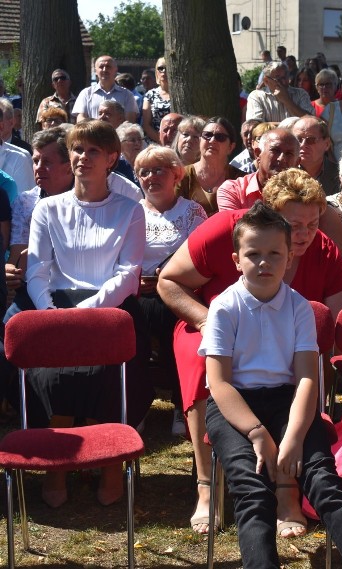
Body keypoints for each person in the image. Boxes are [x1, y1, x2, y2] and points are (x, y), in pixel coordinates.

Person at [158, 168, 342, 534]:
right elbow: (168, 281)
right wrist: (211, 324)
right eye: (294, 225)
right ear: (268, 214)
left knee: (308, 367)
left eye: (313, 223)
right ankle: (207, 487)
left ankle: (287, 489)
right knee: (200, 361)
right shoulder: (225, 230)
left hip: (285, 341)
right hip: (213, 325)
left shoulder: (323, 250)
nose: (304, 235)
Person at [199, 201, 342, 568]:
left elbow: (305, 378)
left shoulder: (299, 308)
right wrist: (256, 433)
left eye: (274, 254)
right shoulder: (224, 307)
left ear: (289, 259)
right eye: (253, 254)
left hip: (289, 403)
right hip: (236, 407)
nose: (264, 262)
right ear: (237, 260)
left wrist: (295, 436)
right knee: (253, 492)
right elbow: (218, 384)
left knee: (322, 480)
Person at [13, 121, 151, 508]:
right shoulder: (48, 208)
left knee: (112, 375)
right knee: (52, 377)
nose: (82, 158)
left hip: (112, 311)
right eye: (77, 149)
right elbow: (37, 270)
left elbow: (128, 274)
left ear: (111, 159)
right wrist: (53, 314)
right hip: (54, 307)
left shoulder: (130, 211)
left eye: (93, 151)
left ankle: (108, 462)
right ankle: (57, 465)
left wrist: (89, 313)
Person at [135, 145, 207, 435]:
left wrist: (171, 277)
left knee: (174, 333)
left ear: (176, 174)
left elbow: (199, 257)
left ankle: (181, 405)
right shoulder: (131, 211)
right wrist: (136, 277)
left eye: (158, 170)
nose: (150, 176)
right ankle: (137, 406)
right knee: (132, 338)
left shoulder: (192, 211)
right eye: (144, 172)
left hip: (177, 292)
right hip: (137, 292)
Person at [6, 128, 74, 307]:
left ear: (69, 167)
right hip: (30, 288)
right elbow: (18, 257)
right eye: (36, 161)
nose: (39, 168)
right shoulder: (25, 201)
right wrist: (11, 272)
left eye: (47, 162)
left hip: (74, 289)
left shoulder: (89, 199)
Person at [217, 128, 300, 211]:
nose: (281, 158)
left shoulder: (304, 195)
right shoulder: (234, 191)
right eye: (275, 150)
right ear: (258, 154)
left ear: (297, 163)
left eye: (289, 154)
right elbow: (233, 223)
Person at [176, 117, 242, 216]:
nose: (212, 140)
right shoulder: (181, 176)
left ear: (231, 147)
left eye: (220, 137)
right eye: (207, 135)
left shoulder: (240, 180)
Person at [72, 55, 138, 123]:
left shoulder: (127, 95)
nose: (104, 70)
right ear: (95, 71)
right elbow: (81, 119)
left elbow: (129, 121)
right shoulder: (86, 93)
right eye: (101, 67)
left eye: (108, 66)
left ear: (116, 70)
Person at [247, 62, 314, 122]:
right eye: (278, 78)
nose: (284, 82)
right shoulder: (257, 96)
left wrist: (286, 100)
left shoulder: (300, 94)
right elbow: (255, 125)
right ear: (266, 80)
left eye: (285, 77)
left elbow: (311, 121)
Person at [293, 116, 339, 195]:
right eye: (298, 139)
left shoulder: (339, 176)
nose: (303, 145)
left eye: (311, 140)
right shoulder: (282, 172)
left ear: (327, 144)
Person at [142, 57, 171, 144]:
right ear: (156, 72)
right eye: (160, 68)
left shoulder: (181, 95)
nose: (164, 71)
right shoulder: (150, 95)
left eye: (167, 67)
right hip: (156, 143)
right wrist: (162, 141)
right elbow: (146, 125)